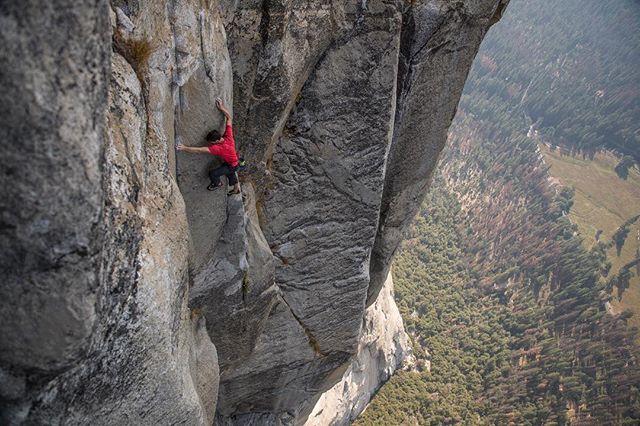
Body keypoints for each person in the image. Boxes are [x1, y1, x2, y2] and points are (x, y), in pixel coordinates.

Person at [177, 98, 241, 195]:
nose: (211, 144)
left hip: (232, 165)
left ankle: (217, 183)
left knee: (214, 173)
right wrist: (221, 107)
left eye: (212, 142)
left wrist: (184, 148)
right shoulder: (228, 136)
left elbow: (199, 150)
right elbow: (229, 118)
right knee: (229, 171)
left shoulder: (219, 148)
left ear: (216, 141)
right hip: (235, 162)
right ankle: (236, 188)